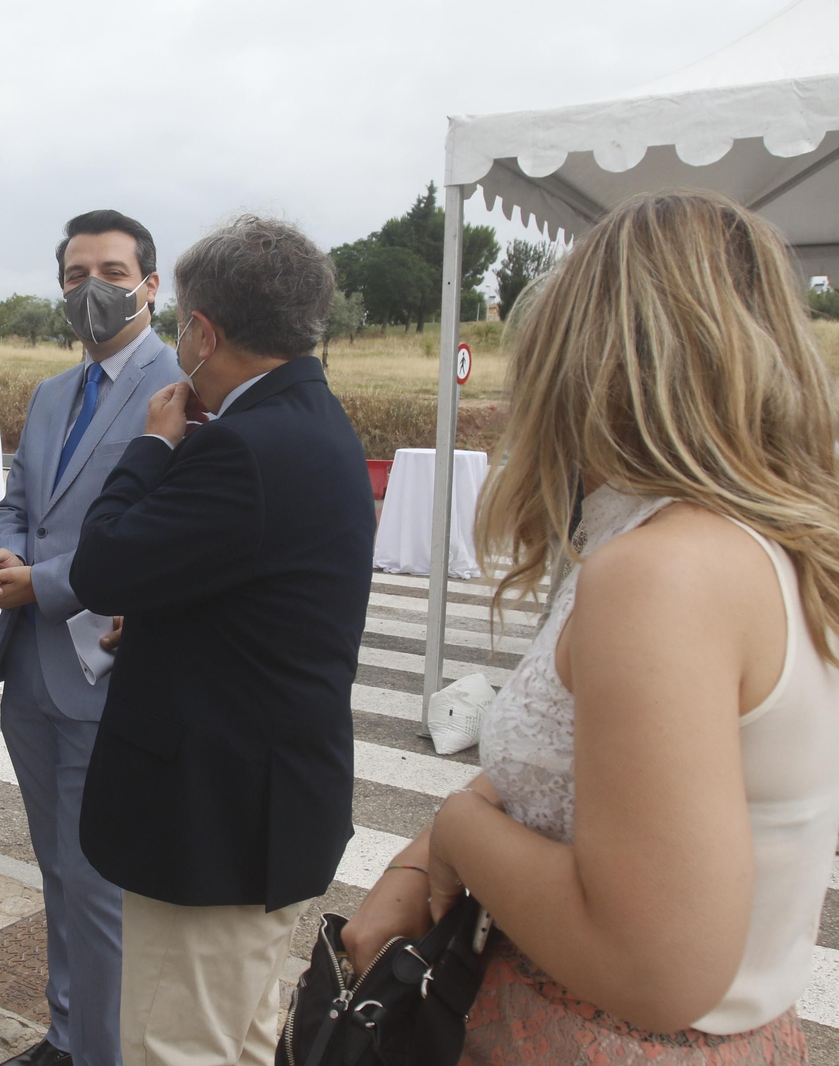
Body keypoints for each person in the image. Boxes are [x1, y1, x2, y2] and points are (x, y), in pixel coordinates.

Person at [342, 191, 839, 1065]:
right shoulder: (758, 541)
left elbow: (654, 965)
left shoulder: (663, 571)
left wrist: (457, 832)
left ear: (587, 357)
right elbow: (601, 772)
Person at [69, 215, 374, 1066]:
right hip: (272, 815)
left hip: (216, 829)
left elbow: (102, 565)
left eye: (181, 329)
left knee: (179, 1046)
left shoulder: (241, 444)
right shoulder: (310, 417)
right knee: (236, 1042)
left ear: (202, 331)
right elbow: (251, 587)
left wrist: (150, 447)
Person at [0, 209, 182, 1066]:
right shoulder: (55, 392)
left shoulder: (178, 388)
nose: (92, 288)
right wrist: (1, 550)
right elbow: (20, 495)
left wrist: (42, 584)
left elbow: (160, 534)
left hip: (109, 672)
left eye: (112, 271)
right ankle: (65, 1032)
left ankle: (104, 1050)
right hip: (31, 672)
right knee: (57, 872)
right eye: (74, 274)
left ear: (151, 285)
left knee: (102, 891)